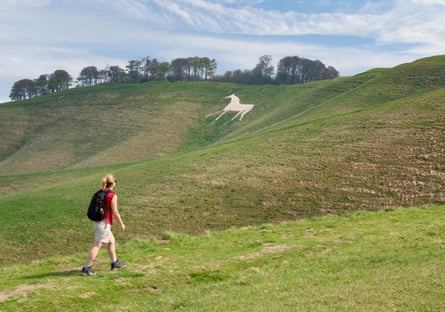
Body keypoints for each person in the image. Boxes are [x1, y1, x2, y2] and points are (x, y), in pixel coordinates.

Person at [81, 174, 126, 276]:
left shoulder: (100, 193)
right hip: (104, 224)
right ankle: (86, 267)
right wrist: (121, 224)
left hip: (98, 222)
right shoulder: (112, 195)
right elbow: (115, 212)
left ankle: (115, 263)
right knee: (97, 245)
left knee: (111, 241)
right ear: (113, 183)